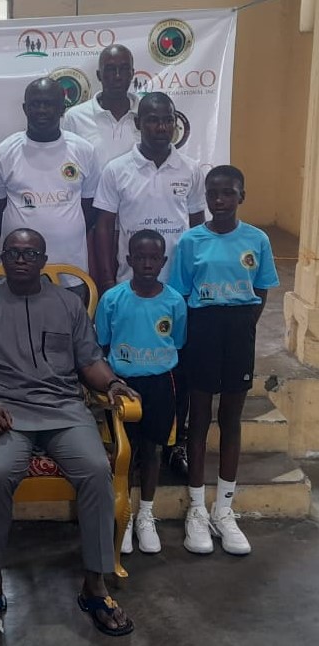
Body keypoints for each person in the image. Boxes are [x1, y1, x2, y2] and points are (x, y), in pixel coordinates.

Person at [0, 228, 136, 638]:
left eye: (30, 253)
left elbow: (89, 361)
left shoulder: (68, 304)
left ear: (43, 260)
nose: (21, 259)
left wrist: (112, 383)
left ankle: (95, 585)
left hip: (64, 410)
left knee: (96, 471)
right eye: (13, 252)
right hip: (5, 413)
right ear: (3, 259)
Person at [93, 91, 205, 475]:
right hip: (131, 288)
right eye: (153, 119)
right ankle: (130, 444)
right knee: (130, 366)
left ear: (175, 123)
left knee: (177, 370)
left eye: (167, 119)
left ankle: (174, 442)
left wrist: (195, 280)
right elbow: (104, 227)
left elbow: (196, 227)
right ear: (138, 123)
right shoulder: (116, 170)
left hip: (178, 290)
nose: (161, 126)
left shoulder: (190, 169)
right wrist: (107, 280)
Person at [169, 165, 279, 555]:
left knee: (231, 419)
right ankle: (197, 509)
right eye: (213, 193)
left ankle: (224, 510)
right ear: (205, 197)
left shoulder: (257, 239)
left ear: (241, 196)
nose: (219, 200)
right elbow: (181, 294)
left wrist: (243, 326)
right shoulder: (190, 241)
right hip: (202, 329)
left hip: (239, 331)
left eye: (228, 192)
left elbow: (262, 290)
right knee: (199, 419)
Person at [95, 229, 186, 554]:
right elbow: (101, 344)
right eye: (140, 257)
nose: (147, 263)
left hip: (161, 383)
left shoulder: (174, 301)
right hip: (123, 386)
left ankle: (146, 514)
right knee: (125, 452)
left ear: (163, 261)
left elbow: (176, 342)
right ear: (129, 259)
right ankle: (125, 514)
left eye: (154, 258)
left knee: (152, 451)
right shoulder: (112, 299)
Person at [0, 77, 99, 298]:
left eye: (49, 104)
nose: (42, 110)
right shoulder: (2, 154)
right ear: (25, 109)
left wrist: (66, 232)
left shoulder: (84, 151)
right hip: (18, 272)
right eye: (35, 104)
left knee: (71, 321)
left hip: (71, 272)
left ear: (62, 109)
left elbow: (90, 210)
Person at [62, 44, 139, 170]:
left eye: (124, 69)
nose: (118, 76)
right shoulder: (75, 117)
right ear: (99, 75)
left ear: (132, 74)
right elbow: (69, 167)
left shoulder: (147, 116)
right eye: (110, 69)